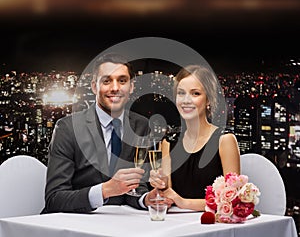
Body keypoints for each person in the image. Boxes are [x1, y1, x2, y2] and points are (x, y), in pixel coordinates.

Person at [43, 53, 157, 213]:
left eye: (122, 80)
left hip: (119, 223)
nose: (115, 88)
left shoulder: (141, 125)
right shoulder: (67, 128)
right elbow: (54, 198)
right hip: (73, 224)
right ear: (94, 86)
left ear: (131, 87)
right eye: (107, 81)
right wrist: (105, 190)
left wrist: (145, 199)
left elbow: (136, 186)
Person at [150, 64, 240, 211]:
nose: (186, 100)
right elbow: (167, 195)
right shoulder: (169, 142)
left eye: (195, 93)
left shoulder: (224, 140)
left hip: (213, 226)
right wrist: (158, 185)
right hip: (176, 225)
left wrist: (184, 203)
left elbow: (233, 200)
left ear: (209, 100)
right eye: (181, 93)